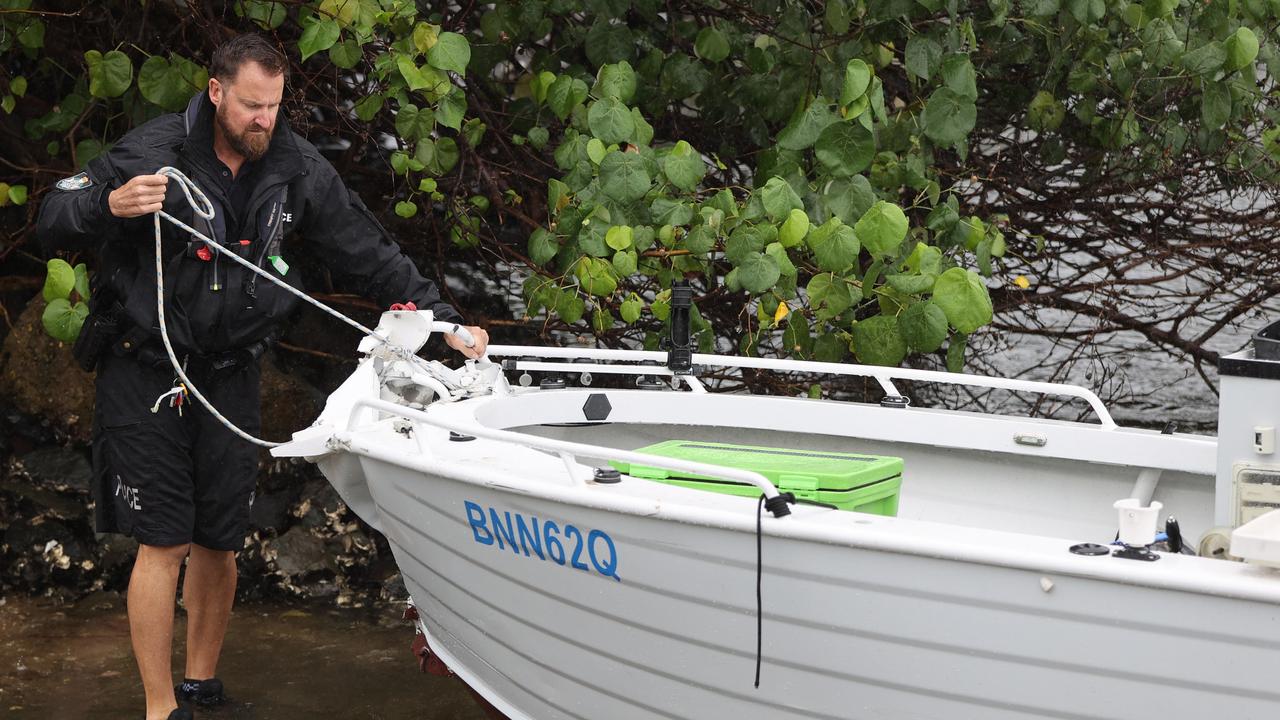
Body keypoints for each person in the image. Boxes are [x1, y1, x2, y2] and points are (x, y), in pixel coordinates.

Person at [36, 34, 488, 720]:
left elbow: (368, 251)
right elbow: (52, 217)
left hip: (232, 373)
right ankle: (161, 711)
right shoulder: (152, 150)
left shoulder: (294, 165)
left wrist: (445, 321)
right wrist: (110, 205)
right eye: (251, 105)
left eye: (274, 106)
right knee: (163, 540)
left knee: (220, 539)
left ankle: (202, 691)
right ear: (216, 92)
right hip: (147, 367)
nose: (263, 120)